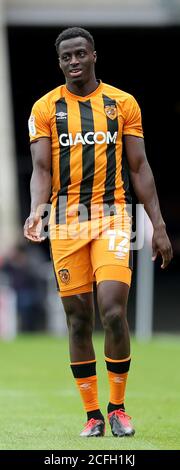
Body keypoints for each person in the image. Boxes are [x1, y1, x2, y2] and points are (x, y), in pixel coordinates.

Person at [24, 27, 173, 437]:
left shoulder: (122, 103)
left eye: (80, 54)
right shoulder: (44, 108)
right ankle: (92, 415)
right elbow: (41, 169)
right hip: (67, 222)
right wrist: (38, 210)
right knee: (78, 319)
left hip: (113, 217)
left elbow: (140, 167)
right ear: (60, 63)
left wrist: (157, 225)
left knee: (112, 310)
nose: (73, 61)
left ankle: (118, 407)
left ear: (94, 56)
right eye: (66, 57)